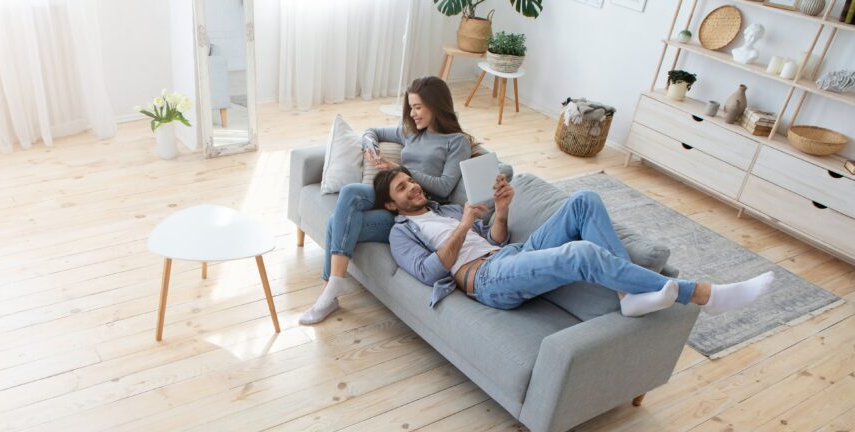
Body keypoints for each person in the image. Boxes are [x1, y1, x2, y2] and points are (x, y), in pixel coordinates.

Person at [373, 166, 774, 316]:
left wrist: (502, 209)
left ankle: (625, 296)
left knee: (584, 200)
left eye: (411, 182)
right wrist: (462, 226)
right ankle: (702, 294)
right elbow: (430, 271)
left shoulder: (442, 210)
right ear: (392, 204)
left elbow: (496, 238)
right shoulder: (401, 233)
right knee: (581, 252)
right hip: (485, 282)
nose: (413, 189)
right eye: (402, 189)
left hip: (507, 256)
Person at [300, 76, 475, 325]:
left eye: (418, 107)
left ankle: (330, 291)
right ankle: (332, 290)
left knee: (335, 221)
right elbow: (372, 131)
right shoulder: (412, 133)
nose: (412, 114)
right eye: (411, 107)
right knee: (348, 198)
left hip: (418, 211)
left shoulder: (456, 142)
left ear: (436, 105)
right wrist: (371, 147)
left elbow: (445, 187)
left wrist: (400, 168)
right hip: (394, 197)